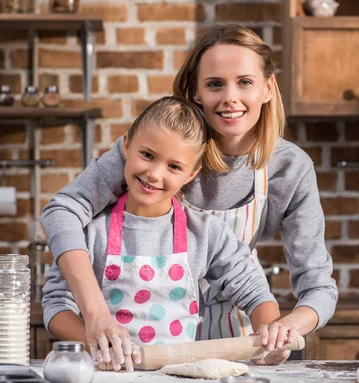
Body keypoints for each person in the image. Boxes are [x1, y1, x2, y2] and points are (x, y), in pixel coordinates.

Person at [41, 23, 338, 365]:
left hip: (238, 343)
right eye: (215, 84)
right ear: (196, 92)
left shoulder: (290, 168)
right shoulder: (154, 147)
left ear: (268, 88)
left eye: (245, 82)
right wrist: (95, 316)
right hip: (133, 348)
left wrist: (281, 330)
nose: (230, 97)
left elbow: (317, 286)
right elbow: (62, 211)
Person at [42, 96, 294, 372]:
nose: (154, 174)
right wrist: (98, 343)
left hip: (178, 382)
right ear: (126, 146)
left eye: (174, 166)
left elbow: (256, 293)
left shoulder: (206, 233)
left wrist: (271, 334)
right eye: (147, 155)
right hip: (104, 379)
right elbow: (56, 304)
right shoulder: (89, 232)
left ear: (191, 173)